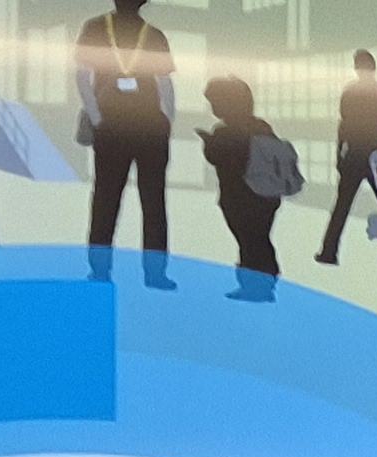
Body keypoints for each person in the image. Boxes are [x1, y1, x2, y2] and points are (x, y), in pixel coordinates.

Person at [75, 0, 177, 285]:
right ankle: (155, 274)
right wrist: (166, 122)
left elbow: (83, 77)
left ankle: (99, 270)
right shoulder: (153, 34)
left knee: (105, 199)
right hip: (150, 129)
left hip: (112, 127)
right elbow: (164, 84)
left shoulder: (94, 28)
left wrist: (97, 119)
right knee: (153, 201)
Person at [199, 75, 286, 296]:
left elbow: (217, 158)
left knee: (249, 241)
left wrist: (209, 143)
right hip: (266, 197)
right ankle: (262, 285)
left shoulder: (224, 132)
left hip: (239, 198)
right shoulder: (262, 127)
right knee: (259, 239)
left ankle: (255, 286)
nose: (212, 107)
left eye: (214, 101)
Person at [320, 48, 377, 265]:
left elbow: (343, 127)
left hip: (356, 154)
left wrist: (339, 155)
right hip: (375, 156)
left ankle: (329, 252)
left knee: (342, 206)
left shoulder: (350, 93)